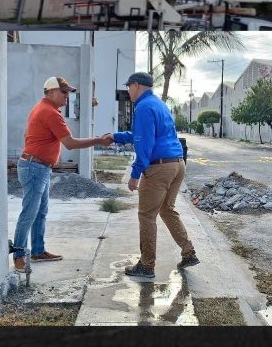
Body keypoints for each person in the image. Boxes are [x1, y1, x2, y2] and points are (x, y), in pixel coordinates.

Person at [104, 72, 199, 278]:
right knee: (167, 209)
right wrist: (115, 137)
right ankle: (188, 252)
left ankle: (147, 266)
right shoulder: (158, 104)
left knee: (146, 215)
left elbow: (143, 143)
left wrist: (135, 173)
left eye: (129, 87)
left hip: (159, 168)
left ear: (136, 85)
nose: (128, 91)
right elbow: (141, 134)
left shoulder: (144, 107)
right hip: (177, 164)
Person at [12, 76, 109, 273]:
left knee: (40, 212)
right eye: (63, 92)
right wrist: (98, 140)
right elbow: (70, 143)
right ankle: (19, 255)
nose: (66, 96)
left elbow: (28, 135)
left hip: (39, 167)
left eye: (68, 92)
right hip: (34, 168)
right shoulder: (49, 112)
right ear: (51, 92)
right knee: (29, 213)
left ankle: (38, 251)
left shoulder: (41, 108)